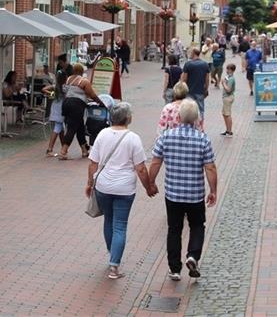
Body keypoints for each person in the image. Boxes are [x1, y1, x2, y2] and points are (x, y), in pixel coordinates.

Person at [148, 99, 218, 281]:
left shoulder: (166, 137)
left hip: (173, 194)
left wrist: (151, 182)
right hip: (195, 195)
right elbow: (210, 168)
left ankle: (175, 268)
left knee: (174, 229)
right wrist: (213, 190)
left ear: (178, 117)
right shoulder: (203, 139)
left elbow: (156, 161)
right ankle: (193, 255)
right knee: (196, 226)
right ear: (196, 119)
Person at [85, 102, 156, 280]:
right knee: (120, 225)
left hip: (103, 186)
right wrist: (148, 187)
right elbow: (140, 168)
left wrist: (89, 183)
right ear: (128, 118)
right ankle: (114, 266)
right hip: (124, 189)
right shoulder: (133, 138)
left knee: (109, 220)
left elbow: (93, 162)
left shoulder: (102, 134)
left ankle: (112, 254)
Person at [60, 63, 104, 160]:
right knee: (72, 128)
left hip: (66, 103)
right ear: (81, 71)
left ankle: (84, 150)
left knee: (79, 127)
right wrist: (101, 103)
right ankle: (63, 151)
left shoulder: (68, 79)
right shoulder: (83, 81)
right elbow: (92, 95)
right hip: (76, 106)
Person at [180, 47, 210, 125]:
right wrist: (206, 89)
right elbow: (207, 79)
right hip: (200, 91)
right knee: (201, 109)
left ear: (193, 53)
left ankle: (189, 124)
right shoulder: (205, 64)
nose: (189, 54)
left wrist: (182, 88)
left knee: (188, 109)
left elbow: (184, 79)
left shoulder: (188, 64)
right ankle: (200, 125)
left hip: (189, 91)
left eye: (190, 52)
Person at [42, 71, 67, 157]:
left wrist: (51, 94)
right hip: (61, 109)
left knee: (61, 129)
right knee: (58, 128)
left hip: (55, 107)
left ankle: (64, 148)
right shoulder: (64, 88)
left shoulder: (55, 86)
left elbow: (44, 89)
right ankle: (50, 149)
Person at [220, 63, 236, 136]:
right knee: (224, 113)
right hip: (226, 97)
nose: (227, 70)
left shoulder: (231, 79)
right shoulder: (229, 77)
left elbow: (228, 90)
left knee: (227, 114)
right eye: (227, 69)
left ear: (232, 70)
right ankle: (227, 129)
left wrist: (223, 83)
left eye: (228, 69)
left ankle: (229, 130)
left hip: (228, 97)